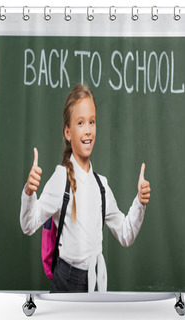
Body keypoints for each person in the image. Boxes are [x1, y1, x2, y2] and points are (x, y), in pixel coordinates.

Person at [20, 84, 151, 293]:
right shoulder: (60, 178)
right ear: (68, 132)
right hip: (66, 281)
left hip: (94, 281)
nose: (88, 129)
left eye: (92, 121)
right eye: (80, 123)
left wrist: (140, 202)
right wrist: (29, 192)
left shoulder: (102, 186)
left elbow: (126, 235)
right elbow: (28, 225)